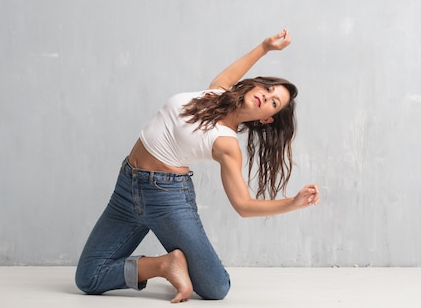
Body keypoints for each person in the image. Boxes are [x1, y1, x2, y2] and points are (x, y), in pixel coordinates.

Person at [75, 29, 320, 303]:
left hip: (166, 198)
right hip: (126, 187)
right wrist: (264, 47)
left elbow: (243, 204)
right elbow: (231, 74)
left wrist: (293, 203)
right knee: (88, 277)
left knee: (216, 288)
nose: (266, 96)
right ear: (255, 86)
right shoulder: (216, 93)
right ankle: (162, 265)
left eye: (274, 102)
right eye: (268, 88)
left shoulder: (227, 144)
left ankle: (171, 265)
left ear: (266, 119)